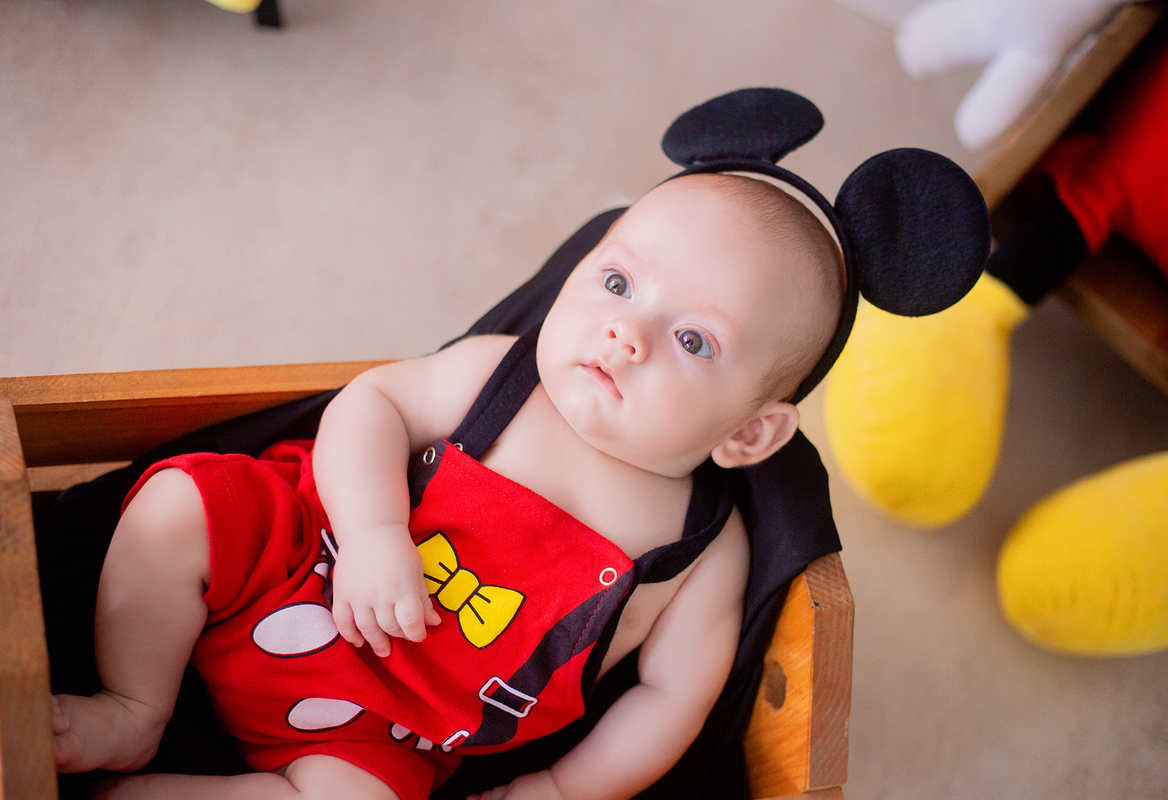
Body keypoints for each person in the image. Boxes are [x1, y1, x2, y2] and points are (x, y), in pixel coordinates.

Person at [49, 171, 845, 800]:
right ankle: (135, 708)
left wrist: (564, 787)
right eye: (617, 283)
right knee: (176, 507)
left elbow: (672, 701)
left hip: (380, 735)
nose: (626, 334)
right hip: (301, 561)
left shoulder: (699, 552)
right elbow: (371, 403)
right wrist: (371, 533)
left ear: (750, 433)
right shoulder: (497, 378)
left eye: (693, 338)